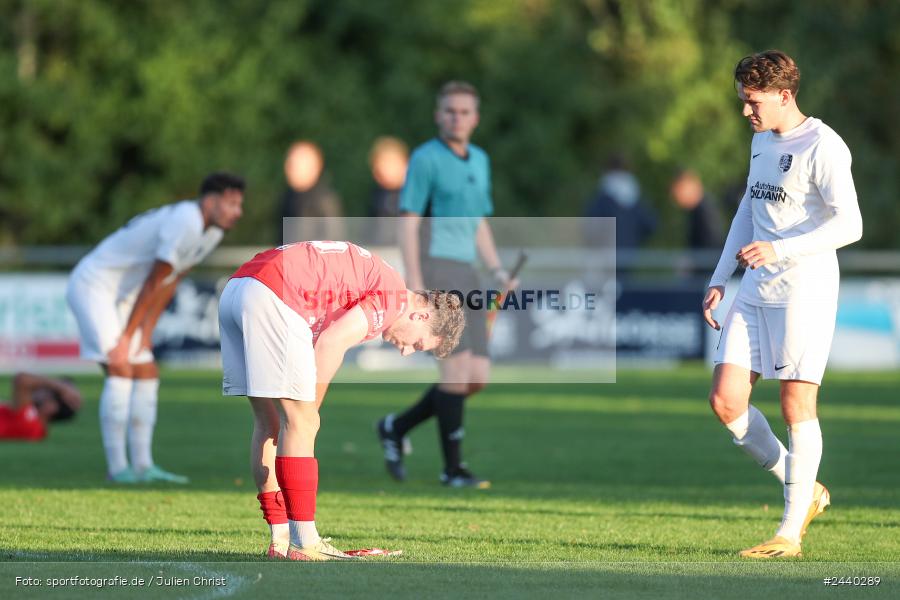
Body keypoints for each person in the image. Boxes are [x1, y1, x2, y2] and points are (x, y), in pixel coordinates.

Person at [702, 50, 862, 558]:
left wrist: (780, 249)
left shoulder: (823, 145)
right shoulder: (761, 140)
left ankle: (789, 534)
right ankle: (805, 487)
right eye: (744, 101)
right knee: (726, 401)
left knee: (796, 404)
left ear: (784, 95)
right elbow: (748, 210)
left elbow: (850, 224)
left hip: (804, 289)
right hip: (755, 288)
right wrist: (721, 277)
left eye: (753, 102)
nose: (746, 111)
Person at [219, 240, 464, 560]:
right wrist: (310, 412)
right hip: (274, 293)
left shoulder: (383, 281)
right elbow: (331, 343)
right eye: (417, 344)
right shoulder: (394, 298)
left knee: (270, 423)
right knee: (302, 422)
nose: (406, 351)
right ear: (420, 315)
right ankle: (305, 542)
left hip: (238, 289)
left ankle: (281, 538)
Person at [376, 80, 516, 489]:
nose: (457, 118)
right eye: (450, 111)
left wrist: (497, 270)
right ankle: (452, 470)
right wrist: (416, 284)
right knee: (455, 371)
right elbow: (408, 222)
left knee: (476, 377)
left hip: (468, 273)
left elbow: (479, 223)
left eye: (464, 111)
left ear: (476, 118)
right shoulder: (425, 159)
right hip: (437, 270)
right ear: (439, 115)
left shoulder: (480, 161)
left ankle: (395, 426)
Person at [66, 172, 245, 483]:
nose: (238, 212)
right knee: (120, 365)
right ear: (210, 201)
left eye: (239, 204)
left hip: (125, 294)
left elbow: (170, 281)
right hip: (94, 286)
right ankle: (118, 469)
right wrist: (127, 336)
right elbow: (153, 280)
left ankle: (143, 466)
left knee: (147, 370)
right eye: (231, 203)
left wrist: (145, 335)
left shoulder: (212, 233)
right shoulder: (186, 221)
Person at [279, 141, 344, 243]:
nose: (288, 169)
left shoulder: (325, 201)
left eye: (295, 165)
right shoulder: (288, 197)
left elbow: (334, 242)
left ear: (315, 167)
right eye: (289, 164)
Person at [0, 373, 82, 441]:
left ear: (51, 407)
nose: (40, 391)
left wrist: (62, 388)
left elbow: (22, 380)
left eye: (48, 392)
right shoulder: (37, 429)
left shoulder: (29, 419)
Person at [368, 136, 410, 245]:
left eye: (387, 163)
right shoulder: (378, 195)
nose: (378, 170)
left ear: (404, 163)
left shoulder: (418, 196)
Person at [670, 168, 724, 250]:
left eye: (680, 190)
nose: (677, 196)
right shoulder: (696, 211)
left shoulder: (705, 211)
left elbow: (711, 246)